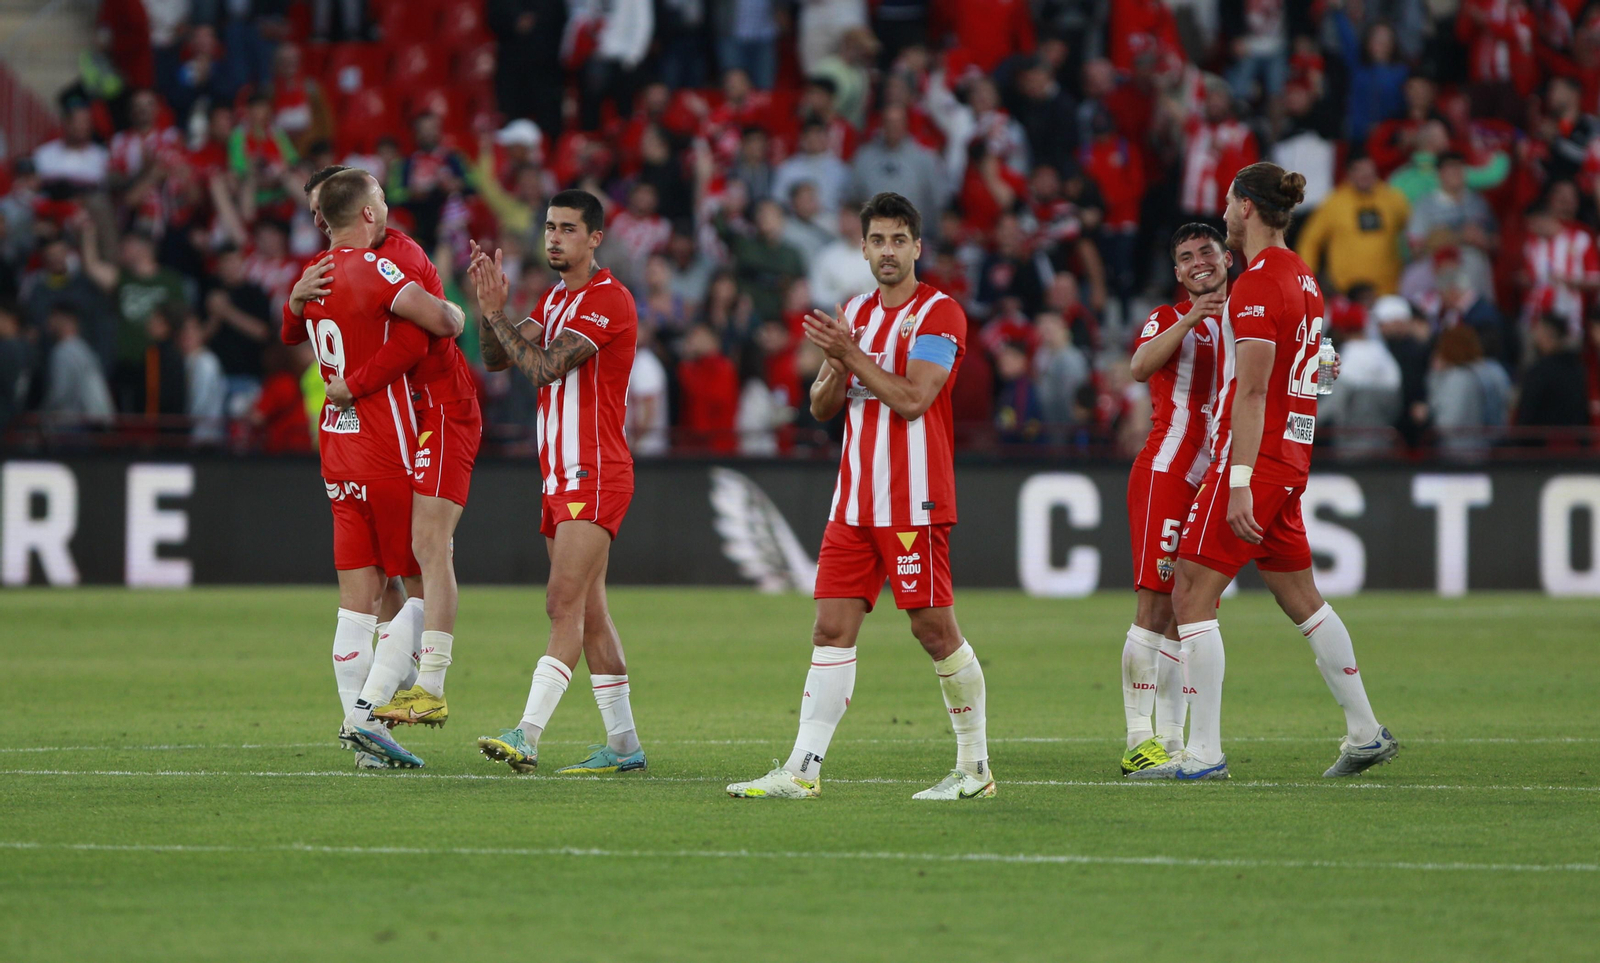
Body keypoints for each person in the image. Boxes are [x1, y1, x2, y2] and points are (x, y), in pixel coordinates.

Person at [1132, 163, 1397, 781]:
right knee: (1304, 600)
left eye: (1229, 200)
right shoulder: (1304, 278)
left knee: (1191, 591)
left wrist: (1241, 480)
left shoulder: (1256, 285)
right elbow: (1319, 369)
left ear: (1247, 208)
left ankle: (1202, 754)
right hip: (1292, 455)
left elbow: (1251, 394)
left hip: (1253, 459)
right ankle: (1364, 731)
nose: (1223, 210)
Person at [726, 192, 990, 801]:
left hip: (913, 501)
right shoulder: (854, 313)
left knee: (934, 631)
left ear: (918, 247)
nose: (889, 251)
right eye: (878, 241)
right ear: (864, 247)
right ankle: (802, 770)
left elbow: (913, 399)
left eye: (900, 240)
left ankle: (975, 768)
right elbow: (821, 407)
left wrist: (851, 355)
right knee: (830, 629)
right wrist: (836, 364)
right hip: (853, 502)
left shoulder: (940, 314)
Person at [283, 169, 467, 771]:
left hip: (334, 452)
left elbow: (293, 329)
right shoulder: (376, 268)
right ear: (365, 213)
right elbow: (432, 330)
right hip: (382, 449)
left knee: (356, 604)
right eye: (381, 199)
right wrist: (457, 316)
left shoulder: (314, 274)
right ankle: (374, 712)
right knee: (417, 582)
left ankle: (363, 745)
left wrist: (292, 300)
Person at [471, 189, 648, 776]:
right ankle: (624, 746)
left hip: (595, 472)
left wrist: (501, 316)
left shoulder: (609, 301)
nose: (554, 237)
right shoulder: (554, 299)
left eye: (568, 229)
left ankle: (527, 733)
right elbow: (496, 359)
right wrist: (486, 305)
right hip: (559, 474)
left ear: (595, 238)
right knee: (589, 614)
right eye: (549, 227)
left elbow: (544, 367)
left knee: (561, 602)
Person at [1117, 223, 1227, 775]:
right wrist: (1191, 316)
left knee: (1193, 613)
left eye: (1206, 250)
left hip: (1218, 477)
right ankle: (1142, 740)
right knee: (1156, 606)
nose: (1198, 262)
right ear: (1179, 273)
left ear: (1226, 255)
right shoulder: (1167, 317)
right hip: (1168, 471)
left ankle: (1175, 741)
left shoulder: (1248, 317)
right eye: (1186, 257)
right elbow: (1138, 368)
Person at [1516, 313, 1590, 437]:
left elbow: (1527, 416)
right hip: (1576, 449)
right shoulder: (1579, 368)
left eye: (1537, 331)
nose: (1534, 336)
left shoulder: (1539, 371)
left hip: (1542, 449)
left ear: (1548, 334)